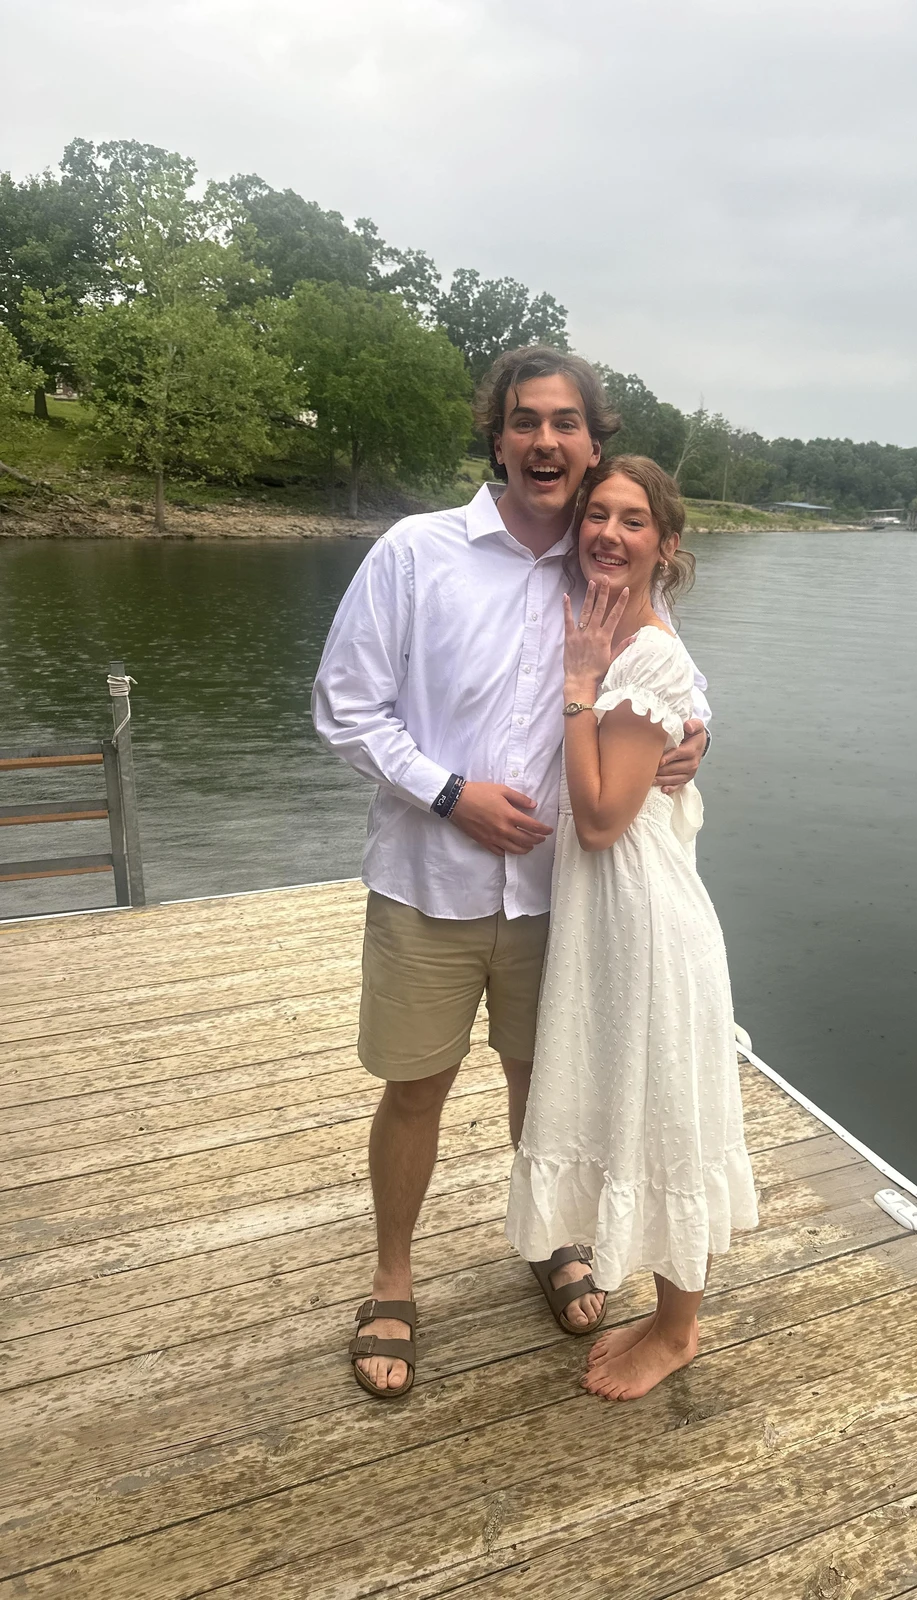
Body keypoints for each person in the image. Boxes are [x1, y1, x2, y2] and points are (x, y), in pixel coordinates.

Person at [312, 349, 712, 1398]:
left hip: (558, 897)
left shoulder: (602, 560)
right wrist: (450, 793)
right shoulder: (418, 552)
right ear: (497, 437)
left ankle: (552, 1238)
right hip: (429, 880)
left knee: (551, 1081)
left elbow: (674, 675)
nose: (545, 440)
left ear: (592, 442)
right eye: (525, 420)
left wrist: (697, 735)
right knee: (415, 1087)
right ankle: (392, 1280)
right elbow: (345, 707)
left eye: (566, 423)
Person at [506, 456, 759, 1401]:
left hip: (643, 909)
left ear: (667, 543)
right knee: (635, 1098)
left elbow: (604, 819)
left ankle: (679, 1328)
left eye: (633, 521)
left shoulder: (642, 650)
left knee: (665, 1105)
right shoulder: (610, 624)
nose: (609, 533)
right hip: (608, 912)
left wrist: (578, 690)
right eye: (598, 515)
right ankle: (660, 1309)